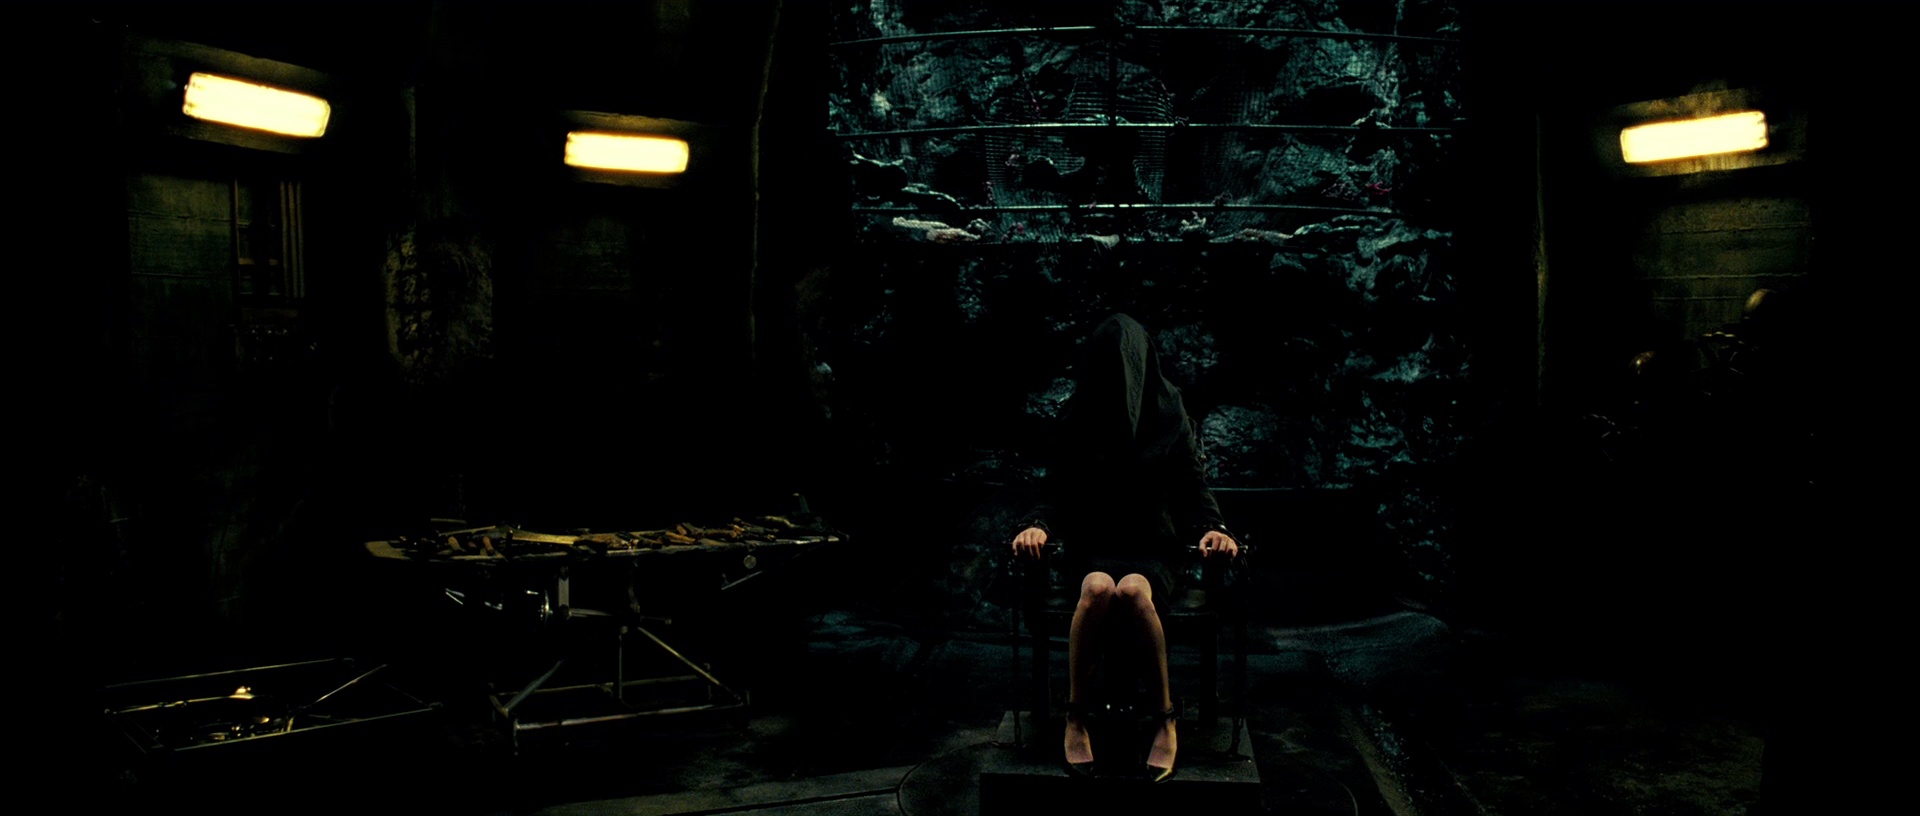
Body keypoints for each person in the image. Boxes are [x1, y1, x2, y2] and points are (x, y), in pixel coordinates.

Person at [1010, 313, 1238, 783]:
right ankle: (1076, 716)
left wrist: (1214, 528)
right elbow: (1055, 489)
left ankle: (1164, 718)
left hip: (1152, 547)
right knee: (1096, 587)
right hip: (1093, 545)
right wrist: (1036, 525)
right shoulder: (1078, 415)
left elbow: (1192, 485)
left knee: (1133, 590)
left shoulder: (1169, 412)